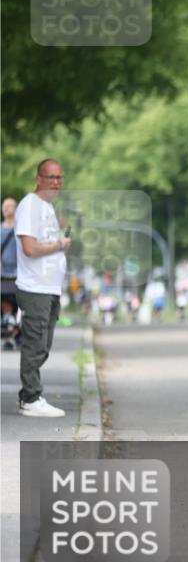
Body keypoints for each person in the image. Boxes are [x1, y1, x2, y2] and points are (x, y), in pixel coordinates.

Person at [14, 159, 72, 418]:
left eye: (59, 177)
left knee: (43, 344)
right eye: (50, 177)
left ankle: (31, 395)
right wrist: (59, 245)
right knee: (35, 344)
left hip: (49, 287)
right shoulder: (30, 205)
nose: (56, 182)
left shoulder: (46, 207)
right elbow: (30, 248)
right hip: (35, 287)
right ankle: (30, 398)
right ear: (38, 179)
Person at [2, 197, 21, 349]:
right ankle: (8, 339)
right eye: (5, 206)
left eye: (10, 206)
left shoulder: (20, 229)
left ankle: (18, 333)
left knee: (18, 305)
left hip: (19, 273)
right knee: (6, 304)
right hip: (3, 273)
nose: (7, 209)